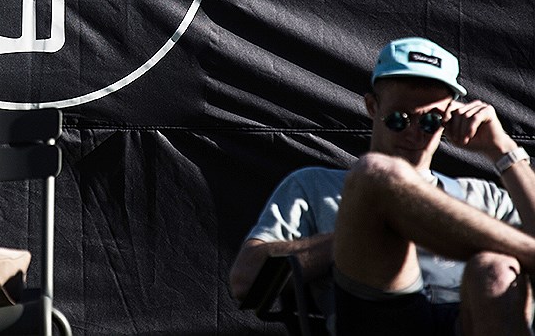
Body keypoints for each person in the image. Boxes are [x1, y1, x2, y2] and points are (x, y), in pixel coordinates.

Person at [229, 37, 535, 335]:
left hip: (470, 319)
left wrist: (504, 150)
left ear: (447, 120)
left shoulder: (483, 196)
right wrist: (361, 229)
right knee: (375, 172)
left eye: (430, 121)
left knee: (495, 269)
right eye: (399, 119)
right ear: (373, 107)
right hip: (382, 316)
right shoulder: (314, 186)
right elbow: (245, 280)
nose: (414, 134)